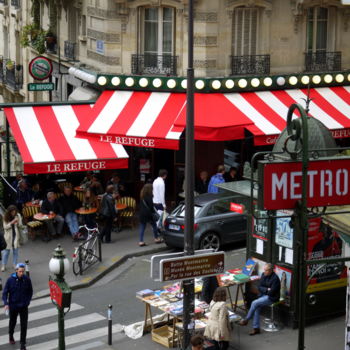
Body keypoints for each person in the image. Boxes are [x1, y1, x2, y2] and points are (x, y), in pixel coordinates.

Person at [239, 263, 281, 335]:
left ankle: (246, 320)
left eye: (266, 270)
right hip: (263, 295)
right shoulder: (263, 274)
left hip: (271, 298)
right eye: (264, 270)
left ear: (271, 270)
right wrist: (267, 289)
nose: (264, 271)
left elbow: (271, 292)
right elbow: (259, 286)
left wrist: (265, 290)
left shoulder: (275, 279)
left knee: (254, 303)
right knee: (257, 307)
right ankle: (256, 328)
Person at [2, 262, 33, 350]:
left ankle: (22, 344)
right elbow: (5, 293)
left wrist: (27, 301)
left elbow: (30, 291)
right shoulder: (10, 280)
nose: (22, 273)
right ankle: (11, 335)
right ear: (16, 271)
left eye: (23, 271)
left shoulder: (27, 279)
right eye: (20, 271)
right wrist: (6, 303)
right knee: (13, 323)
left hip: (23, 306)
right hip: (13, 306)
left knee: (24, 325)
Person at [2, 205, 22, 271]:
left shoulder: (18, 215)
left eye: (15, 211)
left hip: (15, 235)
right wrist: (12, 222)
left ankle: (15, 264)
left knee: (15, 251)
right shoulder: (5, 217)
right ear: (9, 212)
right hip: (8, 237)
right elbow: (5, 227)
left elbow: (20, 225)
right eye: (12, 212)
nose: (14, 213)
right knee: (6, 252)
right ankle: (3, 265)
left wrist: (18, 222)